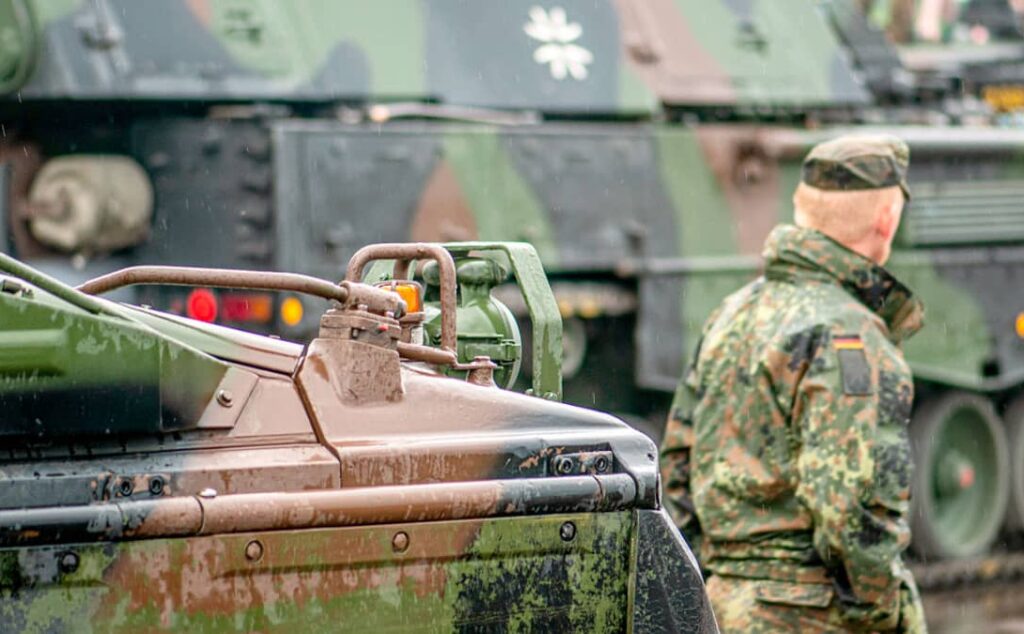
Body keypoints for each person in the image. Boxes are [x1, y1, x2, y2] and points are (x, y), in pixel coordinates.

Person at [660, 134, 927, 633]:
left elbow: (677, 463)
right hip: (808, 615)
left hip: (722, 607)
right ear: (886, 220)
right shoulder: (851, 334)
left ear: (801, 211)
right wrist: (881, 612)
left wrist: (720, 578)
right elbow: (850, 507)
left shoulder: (734, 312)